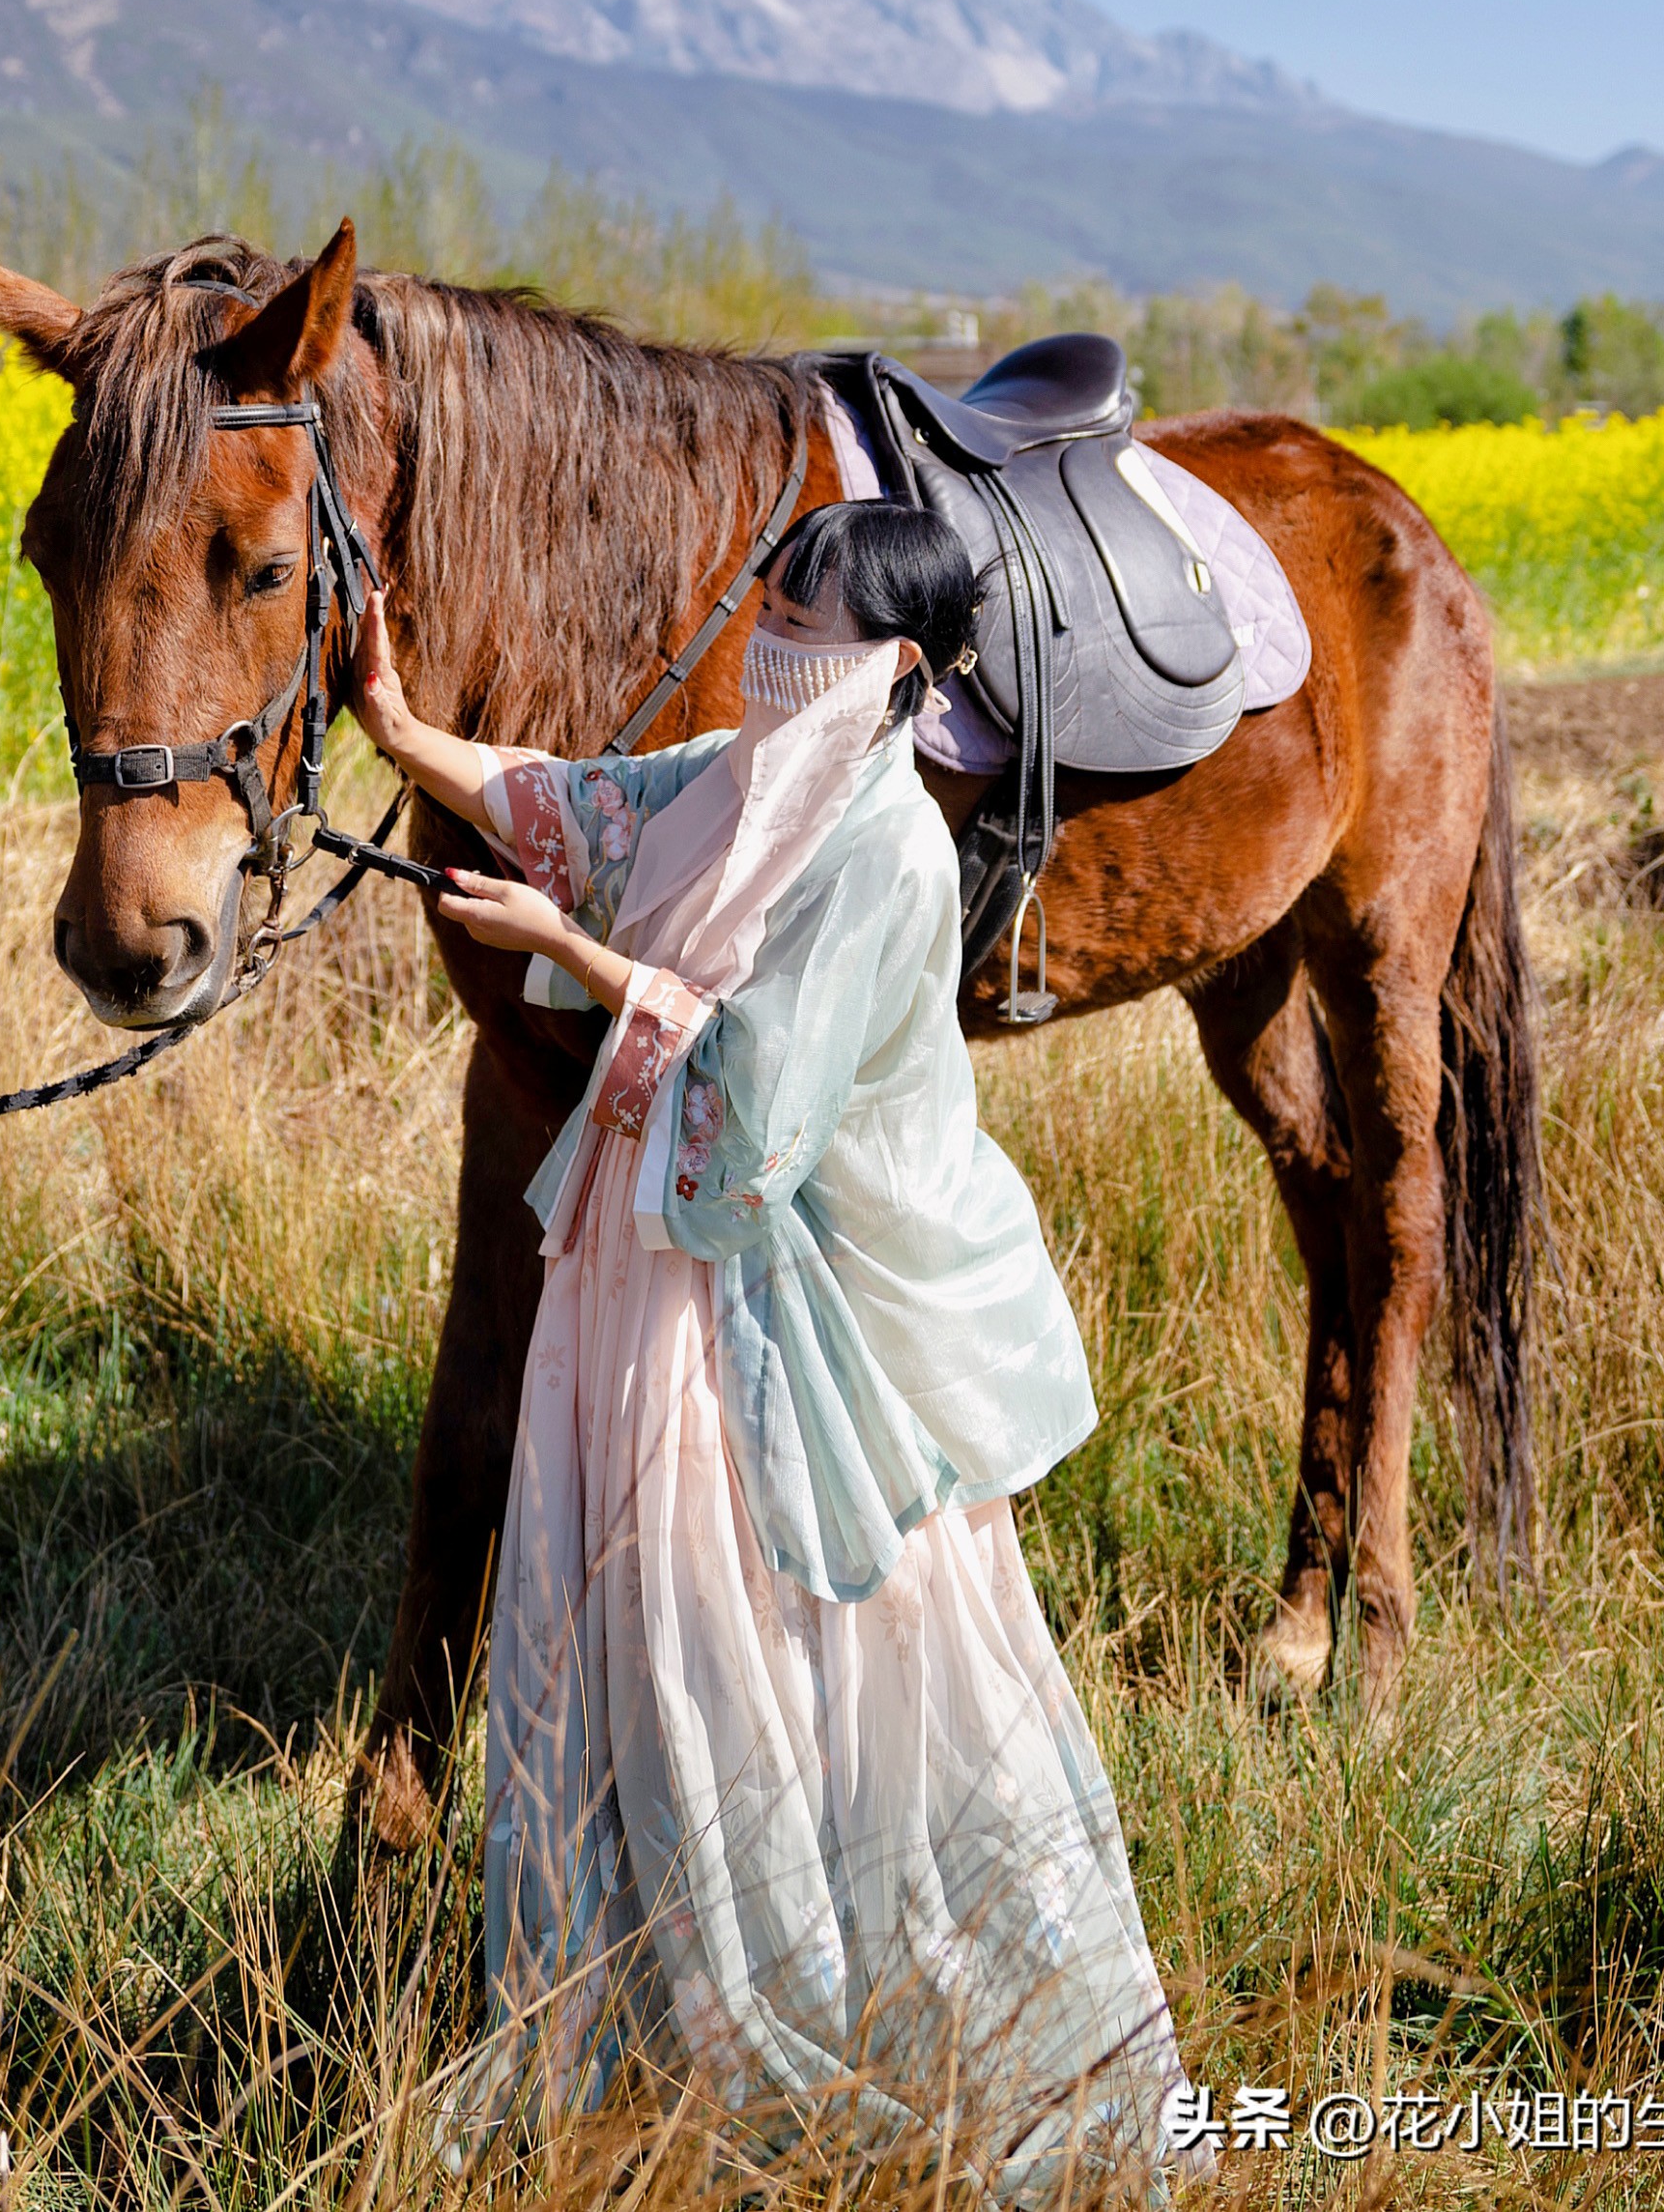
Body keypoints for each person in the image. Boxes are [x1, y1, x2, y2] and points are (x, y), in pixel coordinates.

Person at [356, 502, 1191, 2197]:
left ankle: (789, 1996)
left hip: (755, 1296)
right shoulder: (746, 772)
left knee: (727, 1629)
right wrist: (393, 727)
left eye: (803, 604)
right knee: (622, 1614)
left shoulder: (881, 842)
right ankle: (630, 1998)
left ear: (889, 658)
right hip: (643, 1267)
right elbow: (580, 806)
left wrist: (565, 955)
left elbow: (748, 1124)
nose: (767, 620)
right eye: (774, 587)